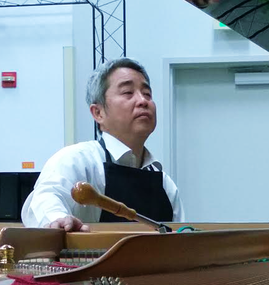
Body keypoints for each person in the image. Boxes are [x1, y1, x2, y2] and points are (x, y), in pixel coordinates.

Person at [21, 58, 183, 231]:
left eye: (147, 94)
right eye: (128, 92)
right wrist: (58, 219)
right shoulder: (77, 160)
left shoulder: (165, 184)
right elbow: (46, 196)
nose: (143, 101)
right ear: (98, 112)